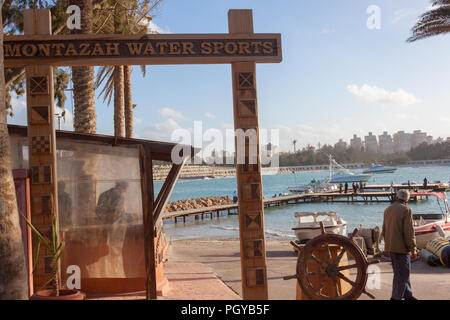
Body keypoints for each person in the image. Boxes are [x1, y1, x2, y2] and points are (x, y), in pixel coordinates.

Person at [381, 189, 418, 300]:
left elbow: (384, 229)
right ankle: (395, 298)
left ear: (397, 197)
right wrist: (413, 248)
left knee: (400, 272)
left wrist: (387, 245)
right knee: (402, 275)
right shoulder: (406, 210)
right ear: (407, 199)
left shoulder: (388, 209)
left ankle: (408, 295)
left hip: (391, 247)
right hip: (402, 248)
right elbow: (409, 231)